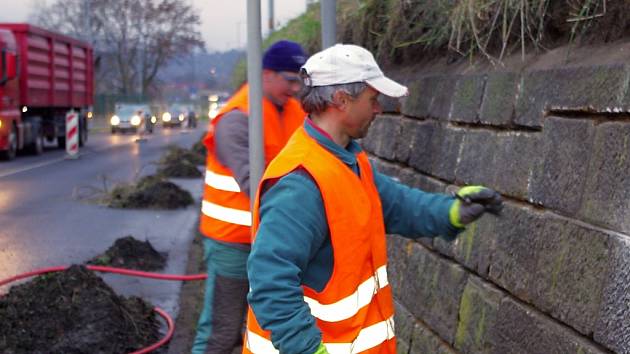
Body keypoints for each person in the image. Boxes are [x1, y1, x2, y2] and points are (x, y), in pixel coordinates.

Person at [243, 44, 503, 354]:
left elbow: (398, 205)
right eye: (373, 99)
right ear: (341, 100)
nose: (378, 109)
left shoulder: (347, 159)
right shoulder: (301, 182)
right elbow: (270, 281)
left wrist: (454, 211)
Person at [193, 40, 308, 354]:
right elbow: (255, 184)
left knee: (265, 333)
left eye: (301, 80)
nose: (296, 88)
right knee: (222, 332)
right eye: (290, 79)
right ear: (266, 74)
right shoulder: (236, 118)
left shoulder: (295, 111)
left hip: (272, 240)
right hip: (233, 242)